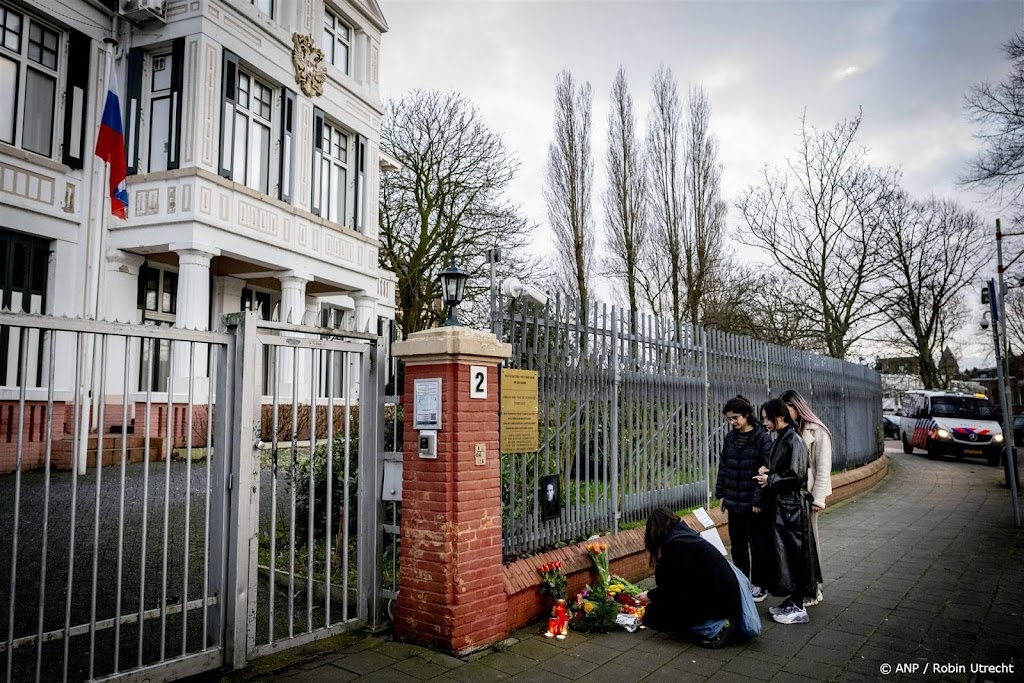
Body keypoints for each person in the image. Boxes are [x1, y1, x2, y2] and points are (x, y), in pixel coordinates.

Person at [636, 508, 760, 647]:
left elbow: (673, 587)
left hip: (720, 603)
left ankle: (715, 627)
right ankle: (714, 623)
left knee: (654, 614)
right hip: (727, 598)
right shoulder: (685, 535)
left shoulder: (676, 545)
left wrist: (650, 595)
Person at [754, 399, 821, 625]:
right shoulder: (785, 438)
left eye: (766, 418)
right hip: (784, 507)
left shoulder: (793, 440)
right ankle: (792, 601)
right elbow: (787, 470)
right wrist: (769, 472)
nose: (764, 422)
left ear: (779, 417)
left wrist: (770, 478)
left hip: (791, 509)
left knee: (794, 556)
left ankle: (798, 605)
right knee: (787, 555)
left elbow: (797, 475)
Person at [714, 395, 773, 602]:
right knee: (737, 545)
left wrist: (759, 500)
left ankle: (760, 584)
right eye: (729, 419)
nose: (733, 422)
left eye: (735, 417)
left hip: (753, 503)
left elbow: (766, 471)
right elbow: (724, 466)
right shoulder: (730, 437)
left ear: (747, 415)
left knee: (757, 546)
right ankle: (741, 581)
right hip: (734, 501)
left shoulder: (762, 438)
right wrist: (721, 494)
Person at [780, 389, 832, 607]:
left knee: (810, 544)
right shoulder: (790, 431)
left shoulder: (817, 431)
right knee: (797, 546)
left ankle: (814, 588)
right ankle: (801, 588)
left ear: (796, 407)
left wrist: (818, 499)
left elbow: (823, 468)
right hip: (793, 497)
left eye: (787, 409)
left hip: (809, 497)